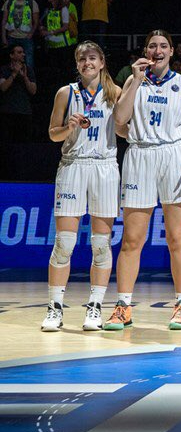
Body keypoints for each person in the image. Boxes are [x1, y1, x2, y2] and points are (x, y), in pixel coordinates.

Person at [106, 31, 181, 330]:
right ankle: (123, 306)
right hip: (140, 156)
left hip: (175, 156)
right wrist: (135, 80)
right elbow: (120, 121)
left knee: (177, 239)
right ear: (145, 50)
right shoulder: (134, 81)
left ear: (172, 51)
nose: (157, 50)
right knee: (132, 240)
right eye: (152, 46)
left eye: (163, 46)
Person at [41, 42, 121, 332]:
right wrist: (69, 128)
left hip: (104, 167)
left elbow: (124, 130)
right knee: (64, 243)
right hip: (73, 166)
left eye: (92, 58)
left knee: (101, 244)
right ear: (77, 64)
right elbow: (52, 134)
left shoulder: (116, 93)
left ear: (102, 62)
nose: (87, 62)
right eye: (81, 59)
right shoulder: (66, 93)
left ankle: (95, 307)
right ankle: (54, 309)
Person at [2, 0, 38, 68]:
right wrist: (3, 37)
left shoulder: (32, 3)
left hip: (26, 38)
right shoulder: (9, 2)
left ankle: (30, 80)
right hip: (11, 37)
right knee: (11, 63)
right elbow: (4, 20)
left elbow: (36, 21)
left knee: (29, 62)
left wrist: (31, 34)